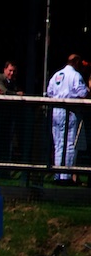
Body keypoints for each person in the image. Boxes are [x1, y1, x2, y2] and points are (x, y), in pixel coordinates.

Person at [46, 54, 88, 184]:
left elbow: (49, 92)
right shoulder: (75, 75)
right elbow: (82, 93)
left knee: (58, 144)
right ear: (76, 62)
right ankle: (66, 176)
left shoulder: (57, 75)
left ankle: (58, 174)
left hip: (56, 110)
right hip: (70, 111)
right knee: (70, 143)